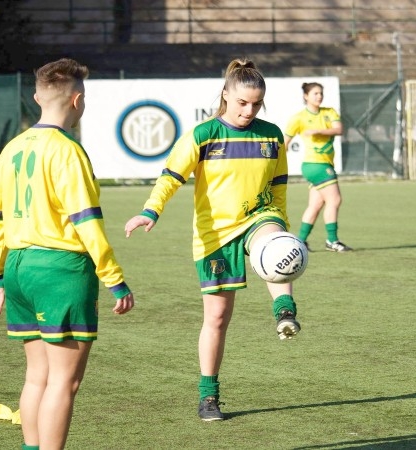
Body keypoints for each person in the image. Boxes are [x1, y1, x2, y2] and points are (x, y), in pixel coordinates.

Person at [124, 58, 301, 422]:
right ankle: (209, 397)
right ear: (225, 94)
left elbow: (278, 187)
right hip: (215, 235)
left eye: (256, 104)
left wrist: (281, 222)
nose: (249, 111)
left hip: (258, 217)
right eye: (242, 103)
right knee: (217, 319)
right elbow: (171, 177)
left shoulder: (271, 135)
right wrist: (150, 211)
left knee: (277, 245)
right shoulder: (203, 135)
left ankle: (285, 311)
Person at [0, 58, 135, 450]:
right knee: (65, 381)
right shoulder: (69, 152)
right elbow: (86, 222)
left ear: (36, 97)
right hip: (60, 270)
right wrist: (114, 279)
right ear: (78, 100)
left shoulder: (10, 149)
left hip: (17, 269)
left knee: (37, 377)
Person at [284, 82, 352, 252]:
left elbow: (338, 129)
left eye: (321, 93)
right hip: (316, 164)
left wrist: (317, 131)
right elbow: (284, 143)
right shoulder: (299, 118)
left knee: (316, 204)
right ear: (306, 96)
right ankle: (332, 241)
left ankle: (300, 242)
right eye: (315, 93)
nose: (319, 96)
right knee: (335, 200)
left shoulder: (329, 112)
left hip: (322, 164)